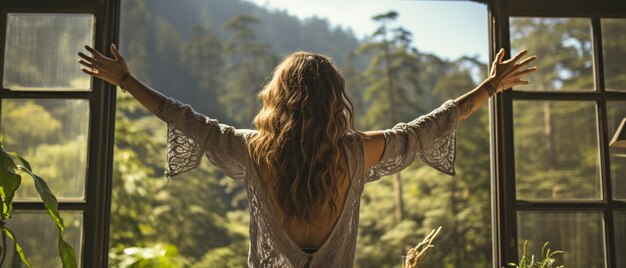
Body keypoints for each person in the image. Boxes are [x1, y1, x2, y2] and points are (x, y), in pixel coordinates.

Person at [78, 45, 536, 267]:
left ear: (278, 98)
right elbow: (426, 128)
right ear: (334, 101)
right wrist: (491, 86)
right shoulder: (358, 154)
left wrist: (125, 80)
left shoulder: (251, 151)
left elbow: (181, 117)